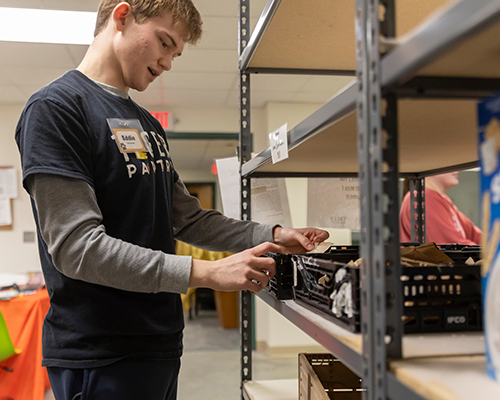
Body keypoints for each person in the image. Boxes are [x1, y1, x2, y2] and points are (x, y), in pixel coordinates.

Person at [14, 1, 330, 399]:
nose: (166, 63)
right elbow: (77, 248)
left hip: (159, 341)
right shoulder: (57, 109)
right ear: (123, 16)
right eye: (164, 43)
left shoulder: (147, 126)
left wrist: (272, 233)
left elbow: (188, 219)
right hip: (100, 351)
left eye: (175, 54)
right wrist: (206, 273)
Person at [400, 172, 481, 245]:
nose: (456, 170)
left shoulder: (443, 199)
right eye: (449, 163)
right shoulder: (423, 198)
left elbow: (474, 234)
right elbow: (451, 243)